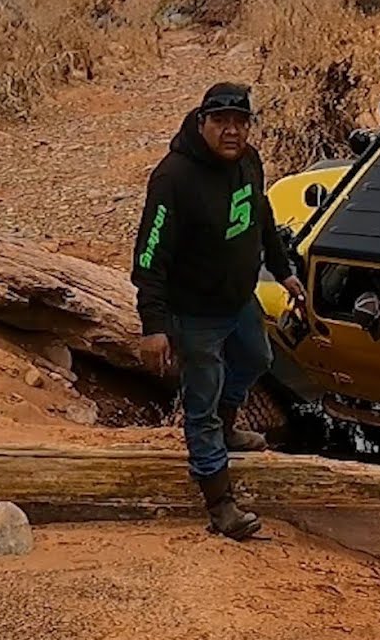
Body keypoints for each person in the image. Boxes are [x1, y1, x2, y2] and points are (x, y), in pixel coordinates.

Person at [130, 82, 306, 541]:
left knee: (257, 359)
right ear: (202, 122)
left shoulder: (249, 161)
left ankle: (227, 430)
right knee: (201, 402)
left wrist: (282, 271)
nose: (232, 131)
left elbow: (262, 216)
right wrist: (154, 326)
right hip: (193, 313)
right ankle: (220, 504)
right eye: (221, 121)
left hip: (238, 300)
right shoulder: (173, 178)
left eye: (240, 122)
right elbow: (149, 256)